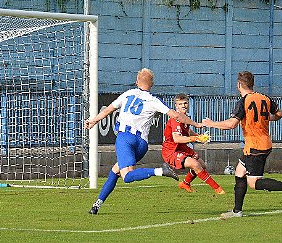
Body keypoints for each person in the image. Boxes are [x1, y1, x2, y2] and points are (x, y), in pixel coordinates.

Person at [85, 68, 202, 215]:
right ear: (152, 84)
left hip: (125, 138)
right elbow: (176, 115)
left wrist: (93, 121)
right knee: (116, 171)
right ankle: (97, 205)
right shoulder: (154, 100)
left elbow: (108, 110)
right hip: (141, 144)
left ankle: (160, 171)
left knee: (127, 176)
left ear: (136, 81)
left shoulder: (128, 94)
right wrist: (197, 125)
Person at [203, 71, 282, 218]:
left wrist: (211, 123)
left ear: (238, 85)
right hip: (263, 143)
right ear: (252, 84)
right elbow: (279, 114)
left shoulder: (244, 101)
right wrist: (266, 118)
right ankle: (237, 211)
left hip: (256, 147)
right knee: (239, 172)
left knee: (254, 182)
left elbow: (231, 125)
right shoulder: (264, 98)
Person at [162, 93, 225, 194]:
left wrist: (199, 137)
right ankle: (218, 189)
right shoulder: (176, 120)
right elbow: (177, 139)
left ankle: (185, 183)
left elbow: (187, 131)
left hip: (182, 148)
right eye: (180, 104)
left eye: (185, 103)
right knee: (195, 164)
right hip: (172, 151)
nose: (183, 106)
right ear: (176, 106)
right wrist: (195, 138)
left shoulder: (185, 117)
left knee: (202, 165)